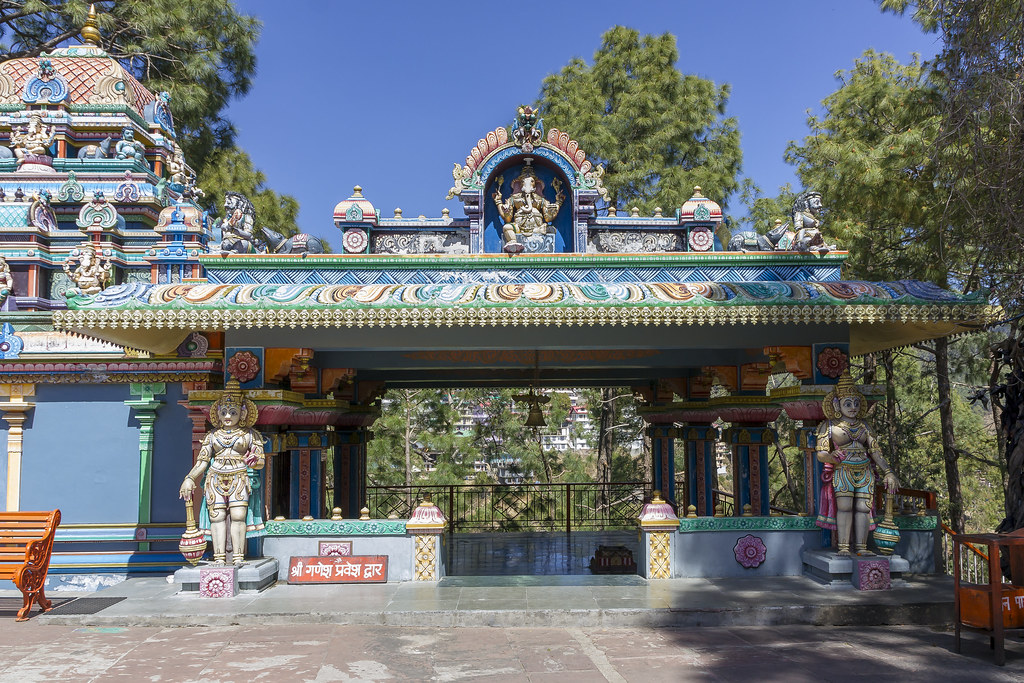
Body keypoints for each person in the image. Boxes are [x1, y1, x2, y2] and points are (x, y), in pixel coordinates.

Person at [179, 380, 265, 565]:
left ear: (242, 413)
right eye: (224, 412)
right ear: (217, 413)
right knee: (216, 517)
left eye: (233, 412)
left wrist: (255, 461)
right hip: (215, 477)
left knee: (238, 515)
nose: (228, 416)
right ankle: (218, 557)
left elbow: (260, 461)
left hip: (239, 477)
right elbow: (202, 462)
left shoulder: (250, 435)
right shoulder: (212, 436)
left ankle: (238, 556)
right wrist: (189, 478)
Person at [815, 372, 898, 555]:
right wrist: (831, 457)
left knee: (863, 508)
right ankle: (844, 546)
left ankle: (861, 546)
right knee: (844, 507)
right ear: (837, 404)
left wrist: (888, 471)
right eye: (847, 403)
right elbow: (820, 453)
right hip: (843, 469)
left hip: (865, 469)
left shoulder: (865, 426)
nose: (852, 407)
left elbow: (875, 451)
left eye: (856, 403)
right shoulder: (829, 426)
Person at [493, 163, 562, 252]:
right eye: (523, 182)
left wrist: (558, 203)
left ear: (536, 184)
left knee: (551, 229)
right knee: (507, 227)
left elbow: (548, 218)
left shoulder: (540, 199)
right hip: (518, 228)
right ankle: (513, 242)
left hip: (537, 228)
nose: (528, 184)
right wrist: (498, 202)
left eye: (532, 181)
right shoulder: (514, 199)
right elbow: (507, 218)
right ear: (519, 184)